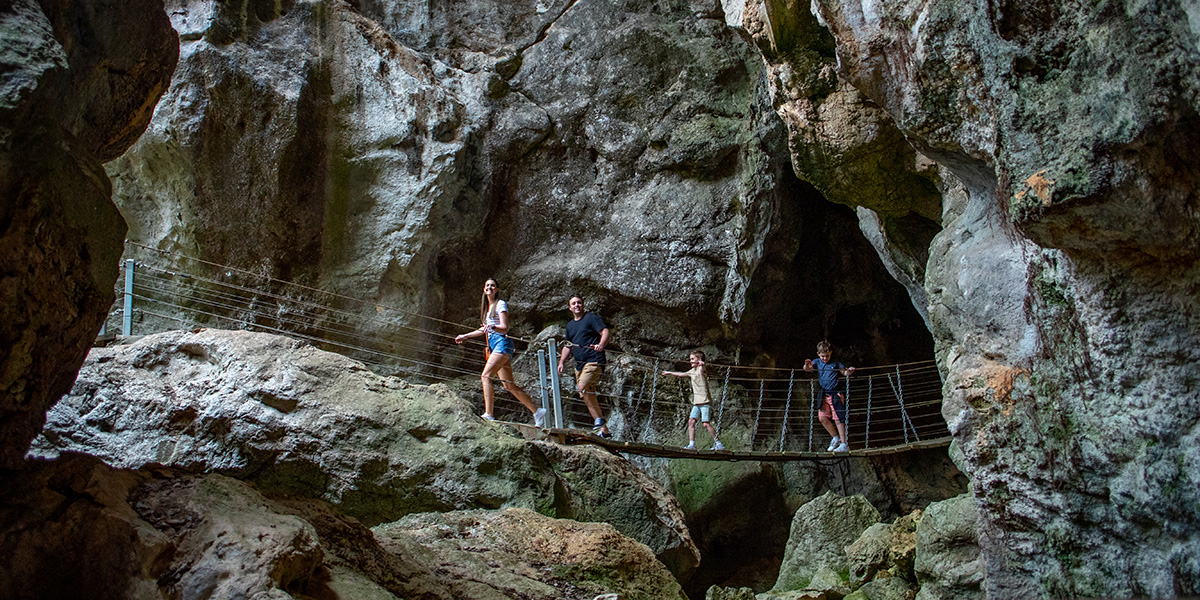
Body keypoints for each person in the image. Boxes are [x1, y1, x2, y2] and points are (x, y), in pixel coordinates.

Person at [455, 279, 546, 427]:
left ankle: (489, 414)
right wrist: (465, 336)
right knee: (508, 385)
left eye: (492, 285)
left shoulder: (500, 304)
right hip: (494, 346)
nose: (490, 288)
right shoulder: (486, 308)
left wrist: (492, 327)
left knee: (485, 376)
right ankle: (537, 411)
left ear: (497, 289)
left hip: (502, 344)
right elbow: (484, 329)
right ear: (484, 290)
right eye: (487, 286)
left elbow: (504, 327)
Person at [557, 294, 612, 438]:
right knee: (586, 394)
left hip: (594, 360)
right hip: (579, 365)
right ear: (570, 308)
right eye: (573, 303)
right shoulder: (570, 326)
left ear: (583, 305)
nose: (576, 305)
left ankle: (600, 422)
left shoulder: (590, 318)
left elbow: (605, 331)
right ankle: (604, 430)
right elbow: (568, 345)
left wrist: (601, 345)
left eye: (579, 303)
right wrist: (561, 361)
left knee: (582, 387)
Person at [662, 350, 724, 450]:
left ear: (698, 359)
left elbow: (703, 367)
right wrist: (669, 372)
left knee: (705, 424)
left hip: (704, 402)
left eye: (692, 359)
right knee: (691, 421)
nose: (690, 361)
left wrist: (702, 364)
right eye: (690, 359)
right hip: (696, 403)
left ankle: (718, 443)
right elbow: (681, 374)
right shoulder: (691, 372)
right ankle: (692, 444)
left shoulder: (701, 370)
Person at [804, 340, 855, 452]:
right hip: (824, 395)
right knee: (822, 418)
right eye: (822, 356)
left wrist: (849, 372)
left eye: (827, 356)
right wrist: (807, 365)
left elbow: (844, 372)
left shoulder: (835, 363)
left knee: (838, 419)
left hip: (835, 394)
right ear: (818, 354)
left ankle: (844, 444)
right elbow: (808, 369)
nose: (825, 358)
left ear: (831, 353)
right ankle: (835, 438)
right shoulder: (817, 361)